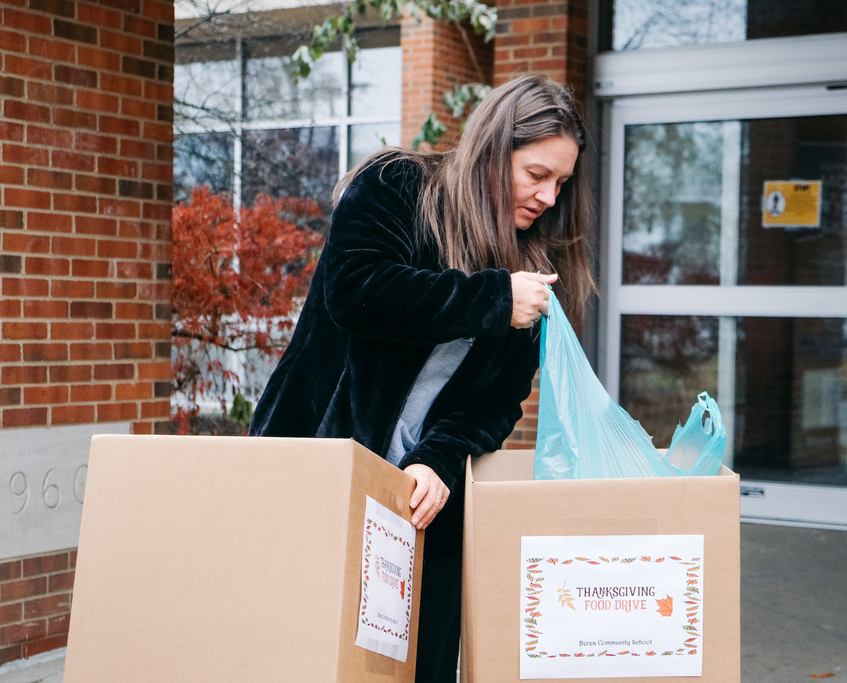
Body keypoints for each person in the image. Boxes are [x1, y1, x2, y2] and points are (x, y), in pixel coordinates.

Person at [248, 74, 594, 681]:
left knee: (418, 664)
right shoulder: (395, 186)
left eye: (560, 184)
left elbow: (497, 400)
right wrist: (491, 300)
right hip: (318, 461)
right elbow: (355, 292)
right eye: (536, 174)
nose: (548, 197)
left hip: (422, 501)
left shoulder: (535, 263)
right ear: (493, 150)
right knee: (299, 655)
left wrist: (438, 457)